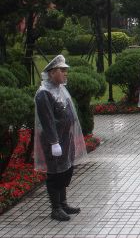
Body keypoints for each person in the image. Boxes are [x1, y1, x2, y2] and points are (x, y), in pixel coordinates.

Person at [34, 55, 88, 221]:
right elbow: (48, 120)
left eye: (66, 70)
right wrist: (54, 142)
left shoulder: (59, 89)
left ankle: (63, 203)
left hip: (65, 137)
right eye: (62, 70)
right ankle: (55, 208)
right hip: (53, 140)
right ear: (51, 73)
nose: (66, 73)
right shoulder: (43, 94)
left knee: (66, 169)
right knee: (55, 173)